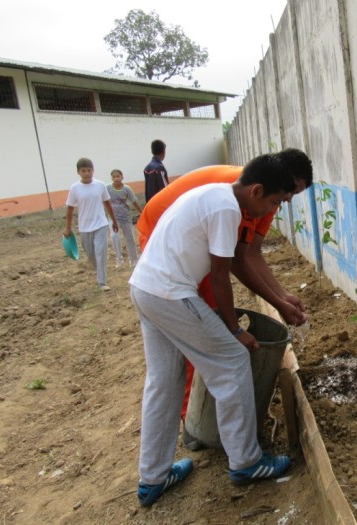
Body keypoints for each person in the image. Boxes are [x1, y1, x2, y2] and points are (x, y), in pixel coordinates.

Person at [130, 153, 297, 507]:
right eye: (273, 202)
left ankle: (152, 478)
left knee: (164, 380)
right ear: (255, 191)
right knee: (233, 360)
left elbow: (233, 262)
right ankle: (247, 462)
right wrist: (235, 330)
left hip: (145, 287)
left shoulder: (212, 194)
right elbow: (221, 276)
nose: (271, 210)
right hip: (171, 293)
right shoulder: (227, 210)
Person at [137, 148, 313, 421]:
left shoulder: (264, 198)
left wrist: (282, 296)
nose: (288, 199)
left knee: (209, 324)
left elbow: (249, 253)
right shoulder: (240, 197)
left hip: (153, 279)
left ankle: (206, 411)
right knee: (207, 336)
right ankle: (194, 416)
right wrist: (234, 329)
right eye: (288, 192)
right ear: (268, 184)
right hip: (164, 237)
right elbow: (231, 265)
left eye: (294, 194)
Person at [64, 158, 119, 291]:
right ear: (78, 172)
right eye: (83, 171)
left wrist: (114, 220)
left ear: (93, 171)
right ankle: (99, 271)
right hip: (84, 227)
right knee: (91, 254)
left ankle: (102, 282)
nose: (87, 173)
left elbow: (107, 203)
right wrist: (68, 227)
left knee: (100, 252)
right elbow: (70, 208)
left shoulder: (100, 185)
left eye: (89, 170)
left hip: (101, 224)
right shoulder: (75, 188)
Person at [106, 169, 142, 268]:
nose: (116, 178)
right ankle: (119, 259)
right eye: (114, 176)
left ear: (122, 177)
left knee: (130, 238)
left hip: (126, 216)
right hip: (113, 218)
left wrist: (142, 213)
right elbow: (103, 200)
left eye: (118, 176)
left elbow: (134, 202)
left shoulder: (127, 189)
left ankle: (133, 259)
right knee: (114, 236)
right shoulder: (108, 188)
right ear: (111, 178)